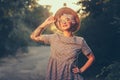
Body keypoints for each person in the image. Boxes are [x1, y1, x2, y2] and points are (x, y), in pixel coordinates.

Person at [30, 7, 95, 80]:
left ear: (73, 22)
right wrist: (45, 24)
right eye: (61, 21)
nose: (64, 22)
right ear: (59, 24)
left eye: (67, 19)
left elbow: (91, 57)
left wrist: (81, 70)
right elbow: (33, 36)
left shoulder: (80, 41)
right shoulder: (54, 38)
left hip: (71, 77)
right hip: (54, 76)